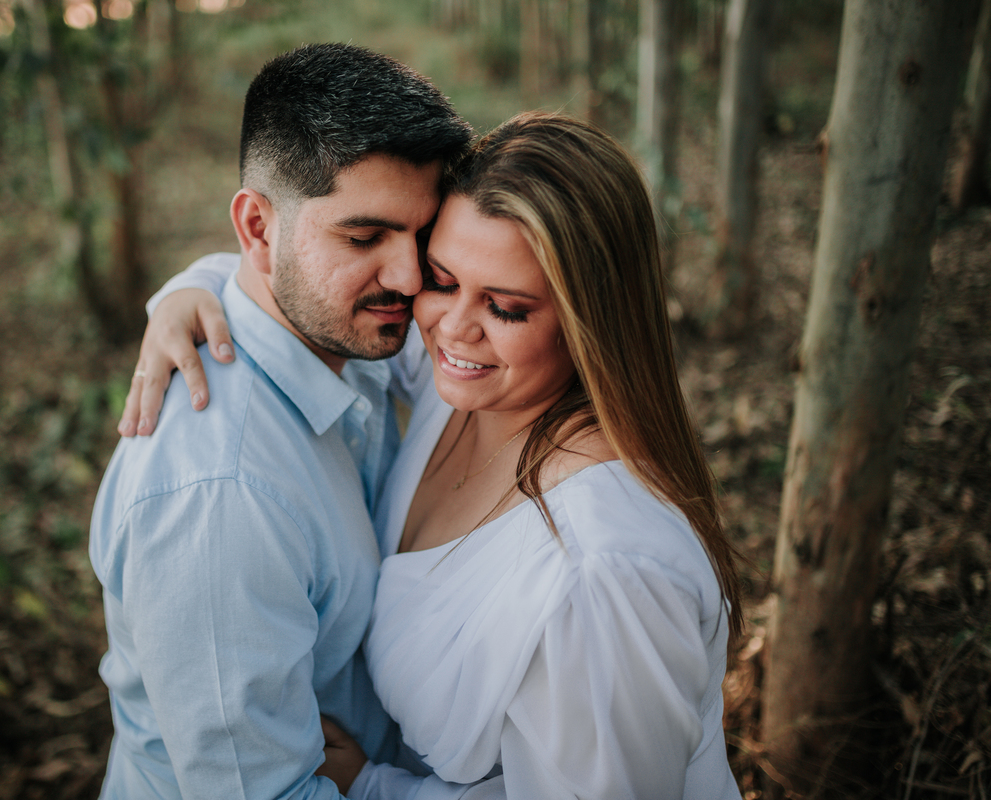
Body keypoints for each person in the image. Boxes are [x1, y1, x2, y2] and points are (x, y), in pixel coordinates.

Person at [124, 112, 746, 799]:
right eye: (441, 278)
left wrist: (371, 786)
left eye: (506, 308)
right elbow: (313, 282)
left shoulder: (602, 573)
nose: (451, 327)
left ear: (591, 322)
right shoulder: (459, 385)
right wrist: (196, 290)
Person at [89, 43, 472, 799]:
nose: (408, 278)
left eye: (421, 236)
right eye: (364, 237)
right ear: (258, 229)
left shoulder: (344, 329)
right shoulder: (223, 497)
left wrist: (193, 282)